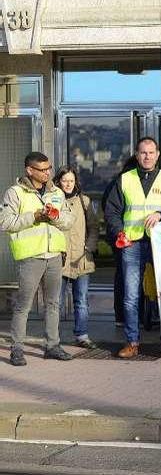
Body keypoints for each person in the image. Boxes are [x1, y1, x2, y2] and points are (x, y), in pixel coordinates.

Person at [104, 137, 161, 358]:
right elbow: (111, 211)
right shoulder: (124, 179)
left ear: (158, 154)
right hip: (131, 244)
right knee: (131, 296)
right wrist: (119, 232)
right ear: (137, 155)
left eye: (151, 153)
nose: (147, 156)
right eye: (143, 153)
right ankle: (132, 342)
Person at [0, 152, 74, 366]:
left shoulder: (56, 192)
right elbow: (5, 223)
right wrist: (34, 217)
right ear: (30, 171)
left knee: (53, 303)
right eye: (43, 170)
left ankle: (52, 346)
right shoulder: (15, 193)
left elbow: (69, 220)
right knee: (23, 305)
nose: (48, 172)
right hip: (31, 257)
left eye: (49, 168)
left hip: (54, 256)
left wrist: (55, 217)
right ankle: (17, 350)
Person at [55, 166, 100, 349]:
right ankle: (53, 338)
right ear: (58, 181)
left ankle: (82, 335)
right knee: (55, 302)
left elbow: (94, 227)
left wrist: (89, 246)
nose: (68, 184)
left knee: (81, 300)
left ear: (76, 182)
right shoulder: (52, 200)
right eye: (65, 180)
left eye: (71, 181)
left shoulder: (85, 201)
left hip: (81, 258)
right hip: (59, 258)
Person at [102, 156, 138, 328]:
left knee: (122, 277)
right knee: (127, 280)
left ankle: (121, 317)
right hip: (125, 238)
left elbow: (106, 208)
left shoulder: (115, 182)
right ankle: (130, 316)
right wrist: (120, 232)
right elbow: (110, 211)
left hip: (120, 237)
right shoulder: (124, 183)